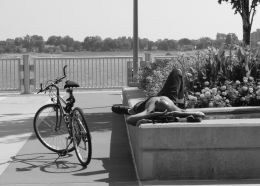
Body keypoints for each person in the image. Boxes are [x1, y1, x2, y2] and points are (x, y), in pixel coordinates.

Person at [112, 68, 205, 126]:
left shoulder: (150, 109)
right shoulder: (173, 109)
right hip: (170, 99)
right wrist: (184, 115)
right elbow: (199, 114)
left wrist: (149, 115)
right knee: (177, 72)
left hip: (147, 105)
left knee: (134, 109)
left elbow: (129, 120)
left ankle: (129, 110)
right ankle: (179, 104)